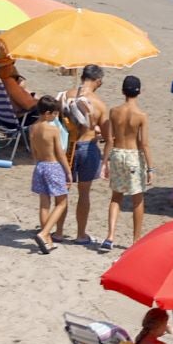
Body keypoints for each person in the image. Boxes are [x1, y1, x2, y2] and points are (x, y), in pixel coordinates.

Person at [103, 74, 153, 250]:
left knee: (116, 196)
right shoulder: (141, 115)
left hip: (117, 153)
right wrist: (150, 167)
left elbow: (109, 140)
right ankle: (136, 240)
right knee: (137, 199)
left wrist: (104, 162)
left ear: (123, 91)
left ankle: (110, 236)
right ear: (139, 92)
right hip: (133, 155)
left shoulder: (114, 111)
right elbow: (144, 143)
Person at [64, 65, 109, 244]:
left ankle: (58, 231)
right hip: (88, 147)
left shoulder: (67, 95)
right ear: (97, 81)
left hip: (69, 146)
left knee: (63, 191)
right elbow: (107, 135)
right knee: (84, 193)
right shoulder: (99, 103)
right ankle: (80, 234)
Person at [27, 97, 69, 253]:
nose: (55, 117)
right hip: (52, 166)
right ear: (47, 113)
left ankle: (48, 241)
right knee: (62, 202)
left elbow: (34, 152)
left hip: (39, 166)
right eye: (54, 114)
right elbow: (60, 154)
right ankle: (44, 233)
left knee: (44, 204)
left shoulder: (32, 128)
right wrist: (68, 172)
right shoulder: (52, 129)